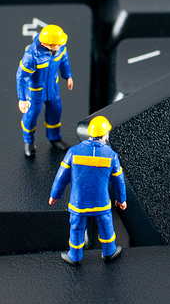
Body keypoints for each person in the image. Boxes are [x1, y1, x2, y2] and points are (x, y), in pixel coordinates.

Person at [49, 115, 127, 265]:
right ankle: (109, 252)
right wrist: (121, 199)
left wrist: (55, 195)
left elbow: (61, 177)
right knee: (106, 226)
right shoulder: (111, 156)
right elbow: (119, 181)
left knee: (77, 228)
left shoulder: (73, 151)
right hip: (101, 202)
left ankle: (74, 256)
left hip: (79, 203)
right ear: (105, 134)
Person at [16, 24, 73, 157]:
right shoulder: (32, 55)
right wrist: (22, 98)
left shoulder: (61, 48)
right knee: (31, 116)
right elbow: (21, 77)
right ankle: (28, 142)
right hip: (35, 93)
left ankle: (55, 138)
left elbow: (64, 61)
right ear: (45, 43)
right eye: (57, 44)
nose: (60, 46)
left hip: (53, 90)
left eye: (61, 43)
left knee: (56, 111)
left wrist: (67, 76)